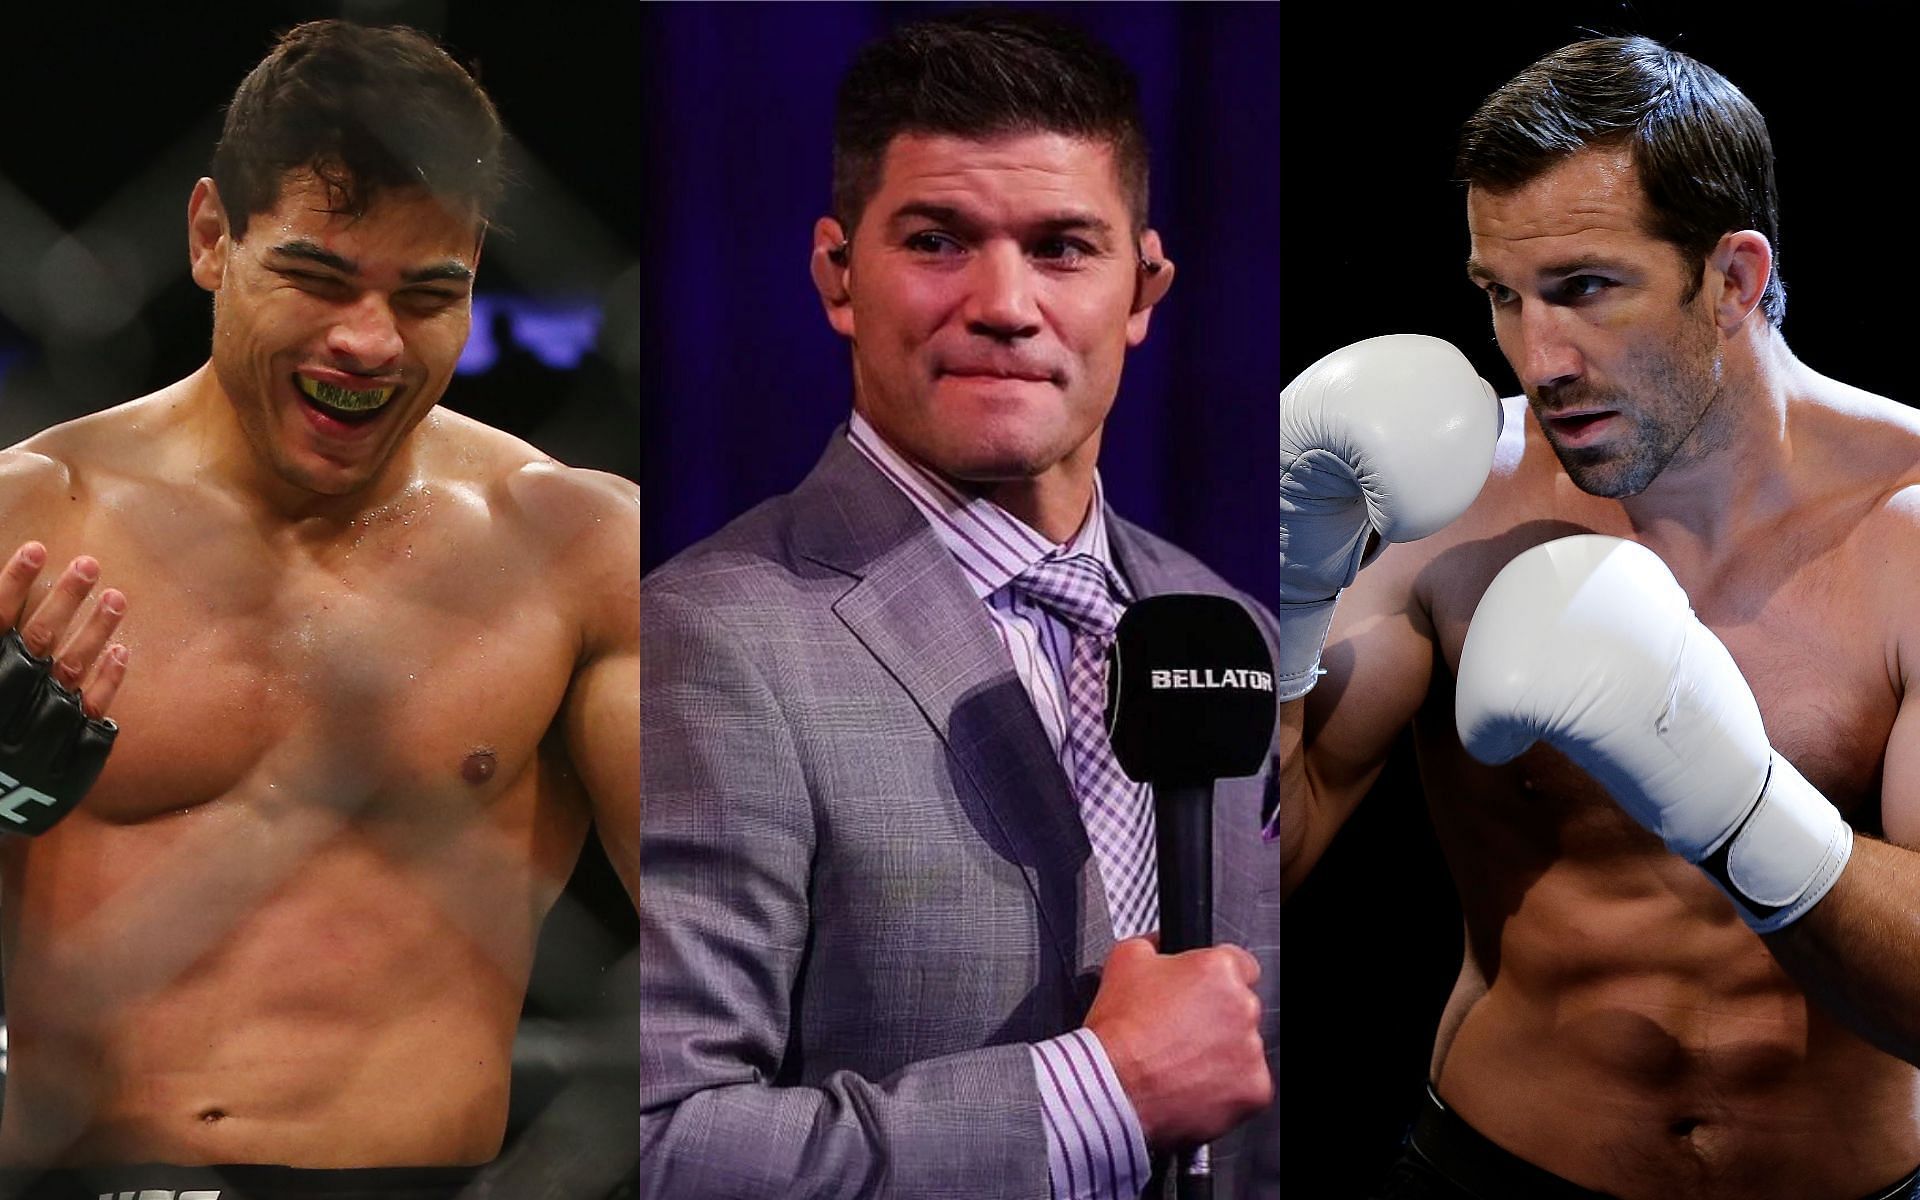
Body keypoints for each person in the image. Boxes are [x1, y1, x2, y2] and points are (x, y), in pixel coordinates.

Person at [639, 11, 1279, 1199]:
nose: (1002, 302)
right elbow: (664, 1146)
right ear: (838, 274)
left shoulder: (1226, 621)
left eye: (1062, 247)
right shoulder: (711, 638)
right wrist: (1100, 1093)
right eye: (938, 240)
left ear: (1145, 288)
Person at [0, 19, 638, 1200]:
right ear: (207, 238)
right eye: (317, 275)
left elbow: (736, 946)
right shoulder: (28, 521)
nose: (368, 343)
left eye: (428, 294)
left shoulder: (580, 550)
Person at [1281, 35, 1920, 1200]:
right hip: (1497, 1165)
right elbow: (1243, 874)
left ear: (1732, 278)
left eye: (1584, 289)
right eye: (1502, 299)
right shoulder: (1461, 507)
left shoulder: (1910, 531)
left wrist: (1740, 806)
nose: (1539, 358)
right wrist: (1277, 600)